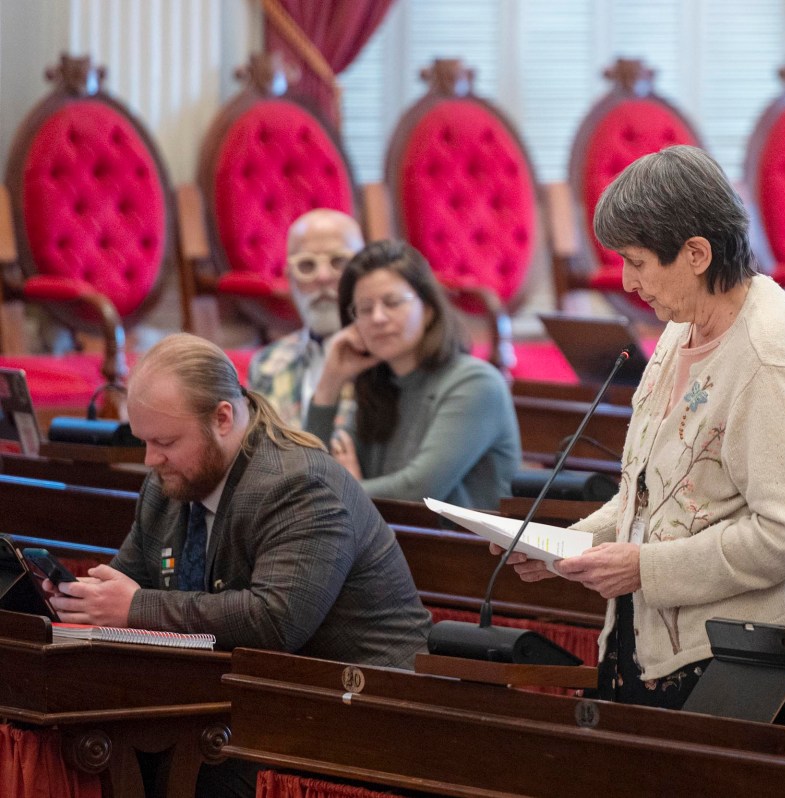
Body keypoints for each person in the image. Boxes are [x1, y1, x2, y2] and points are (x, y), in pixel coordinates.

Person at [500, 145, 785, 710]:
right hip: (659, 631)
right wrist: (574, 546)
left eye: (636, 262)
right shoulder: (684, 324)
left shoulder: (767, 353)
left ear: (696, 254)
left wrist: (646, 566)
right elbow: (655, 494)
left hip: (739, 649)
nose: (628, 283)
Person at [45, 333, 433, 797]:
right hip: (256, 708)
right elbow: (127, 585)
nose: (151, 460)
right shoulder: (168, 486)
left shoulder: (299, 485)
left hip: (364, 719)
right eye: (144, 441)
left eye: (165, 441)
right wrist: (74, 600)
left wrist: (134, 608)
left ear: (223, 418)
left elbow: (275, 621)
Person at [305, 239, 520, 510]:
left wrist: (347, 488)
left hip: (462, 549)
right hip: (392, 544)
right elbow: (309, 476)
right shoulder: (379, 385)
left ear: (428, 310)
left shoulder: (476, 383)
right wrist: (329, 385)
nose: (378, 318)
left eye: (392, 302)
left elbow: (418, 490)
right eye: (365, 309)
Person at [249, 208, 364, 428]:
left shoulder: (389, 361)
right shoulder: (267, 364)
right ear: (290, 278)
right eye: (307, 265)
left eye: (339, 262)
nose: (322, 277)